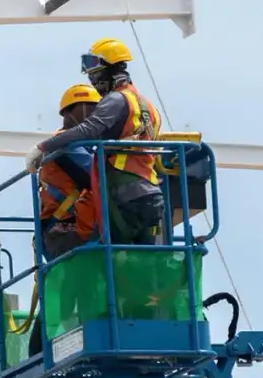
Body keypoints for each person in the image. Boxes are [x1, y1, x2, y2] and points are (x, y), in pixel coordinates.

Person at [25, 38, 165, 246]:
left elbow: (89, 129)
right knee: (146, 259)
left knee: (113, 253)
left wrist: (42, 147)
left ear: (110, 68)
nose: (91, 77)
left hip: (122, 189)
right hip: (151, 191)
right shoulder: (150, 107)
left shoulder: (117, 99)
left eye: (94, 70)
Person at [39, 84, 100, 259]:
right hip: (63, 228)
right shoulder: (65, 144)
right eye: (90, 109)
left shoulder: (86, 147)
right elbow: (97, 174)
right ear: (69, 112)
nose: (95, 115)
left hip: (72, 226)